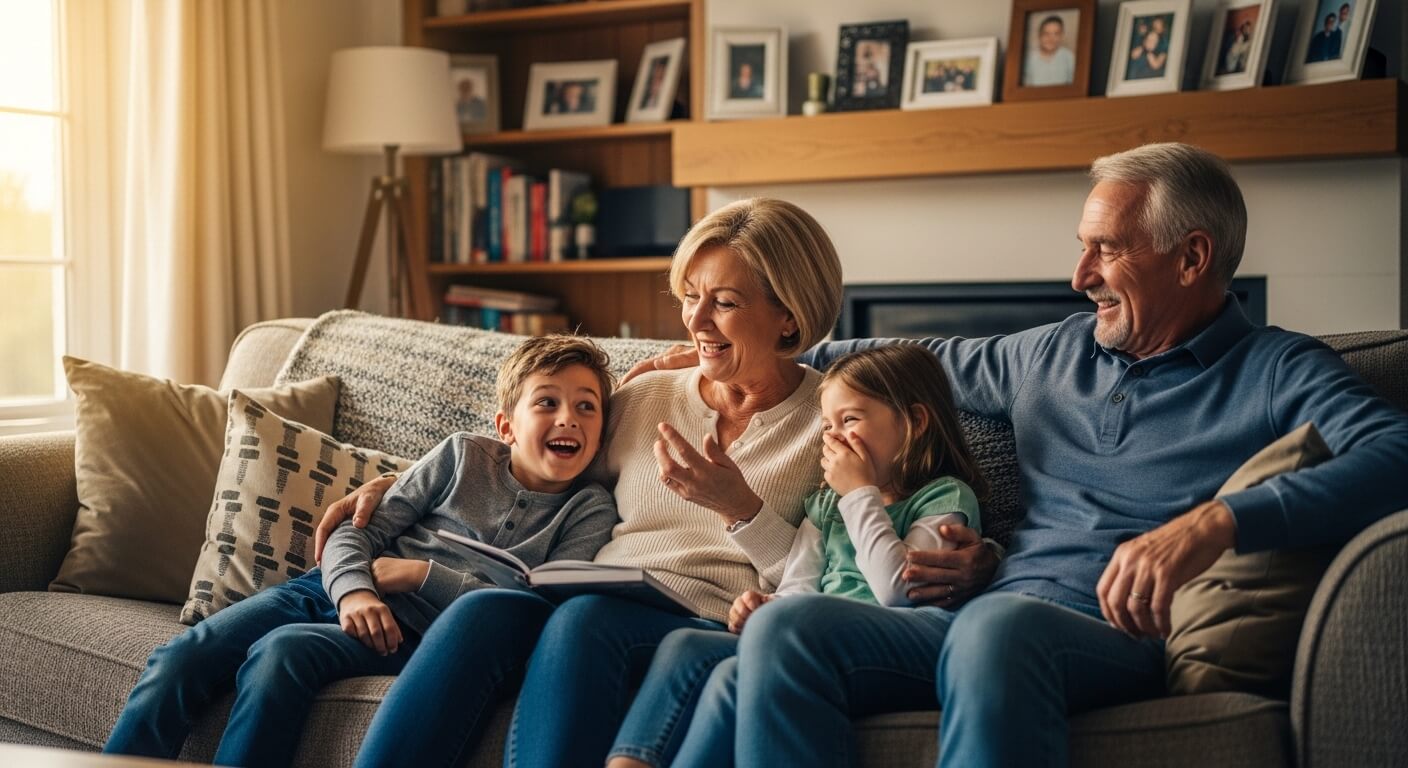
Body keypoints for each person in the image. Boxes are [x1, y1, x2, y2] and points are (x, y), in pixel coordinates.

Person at [634, 142, 1408, 767]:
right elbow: (906, 354)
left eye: (1106, 250)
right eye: (1083, 249)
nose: (1080, 278)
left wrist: (1216, 523)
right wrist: (725, 349)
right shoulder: (1049, 354)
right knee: (783, 631)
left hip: (1116, 635)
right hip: (976, 618)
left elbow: (1395, 452)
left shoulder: (1278, 370)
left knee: (999, 627)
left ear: (1192, 257)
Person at [316, 198, 993, 768]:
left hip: (707, 618)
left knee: (587, 620)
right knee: (481, 610)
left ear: (788, 314)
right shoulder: (644, 396)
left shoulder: (833, 418)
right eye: (690, 299)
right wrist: (396, 478)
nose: (696, 323)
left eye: (723, 303)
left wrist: (983, 557)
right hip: (582, 591)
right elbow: (526, 448)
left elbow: (872, 523)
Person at [102, 335, 620, 767]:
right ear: (506, 426)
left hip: (411, 634)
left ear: (602, 432)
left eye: (586, 407)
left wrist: (420, 574)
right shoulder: (463, 455)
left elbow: (533, 604)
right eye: (547, 402)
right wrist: (352, 591)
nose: (568, 419)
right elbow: (357, 530)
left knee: (281, 653)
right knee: (182, 657)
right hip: (327, 589)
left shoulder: (589, 509)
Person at [604, 344, 989, 768]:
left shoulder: (943, 497)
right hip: (806, 638)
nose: (835, 436)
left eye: (851, 420)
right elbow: (798, 585)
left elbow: (897, 589)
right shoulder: (827, 506)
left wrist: (860, 495)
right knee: (689, 646)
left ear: (914, 422)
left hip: (894, 640)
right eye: (828, 426)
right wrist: (765, 608)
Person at [1023, 15, 1076, 87]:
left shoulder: (1069, 57)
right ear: (1039, 35)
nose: (1051, 38)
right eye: (1046, 34)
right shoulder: (1029, 59)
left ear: (1062, 36)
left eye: (1056, 34)